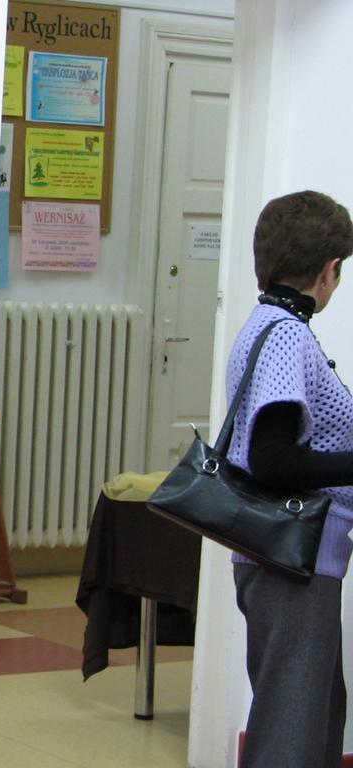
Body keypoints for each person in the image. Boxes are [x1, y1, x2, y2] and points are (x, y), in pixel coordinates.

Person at [228, 190, 353, 767]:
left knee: (317, 717)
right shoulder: (285, 334)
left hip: (289, 558)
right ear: (328, 271)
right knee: (291, 733)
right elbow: (272, 461)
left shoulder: (270, 324)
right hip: (293, 562)